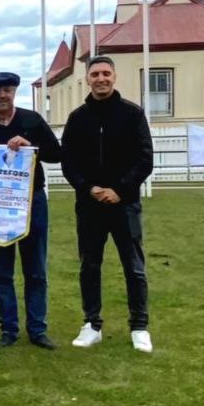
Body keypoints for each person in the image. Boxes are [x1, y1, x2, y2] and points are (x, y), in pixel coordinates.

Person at [60, 55, 155, 353]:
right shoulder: (77, 118)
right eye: (95, 74)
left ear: (114, 77)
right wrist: (89, 188)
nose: (101, 79)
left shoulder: (133, 114)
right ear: (88, 79)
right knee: (90, 266)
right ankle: (91, 324)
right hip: (89, 206)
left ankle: (139, 326)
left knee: (134, 267)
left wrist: (120, 189)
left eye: (106, 73)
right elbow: (68, 162)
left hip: (125, 205)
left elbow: (145, 159)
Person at [0, 71, 62, 349]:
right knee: (2, 272)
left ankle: (37, 329)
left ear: (14, 92)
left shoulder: (31, 120)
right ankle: (8, 329)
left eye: (8, 90)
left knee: (36, 270)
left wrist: (32, 146)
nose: (3, 95)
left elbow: (57, 154)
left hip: (32, 203)